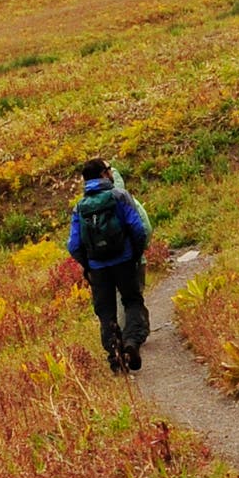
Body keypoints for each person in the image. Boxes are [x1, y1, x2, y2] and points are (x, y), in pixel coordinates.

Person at [67, 156, 152, 373]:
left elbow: (74, 244)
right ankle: (131, 341)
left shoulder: (80, 207)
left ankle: (115, 356)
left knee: (105, 312)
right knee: (132, 301)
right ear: (103, 174)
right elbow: (138, 228)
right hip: (124, 261)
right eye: (108, 169)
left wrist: (89, 265)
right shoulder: (119, 196)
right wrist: (134, 254)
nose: (111, 172)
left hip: (98, 268)